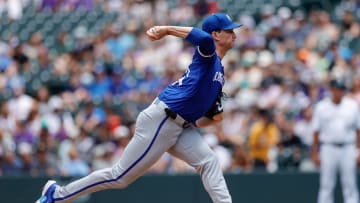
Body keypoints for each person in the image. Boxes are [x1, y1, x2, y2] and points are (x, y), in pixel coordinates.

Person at [35, 13, 241, 203]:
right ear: (216, 34)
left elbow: (208, 118)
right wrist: (166, 29)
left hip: (181, 125)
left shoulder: (219, 71)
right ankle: (57, 195)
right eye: (230, 30)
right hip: (162, 119)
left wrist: (207, 119)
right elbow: (202, 38)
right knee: (119, 176)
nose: (234, 34)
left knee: (209, 161)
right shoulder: (208, 54)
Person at [311, 79, 360, 203]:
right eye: (337, 89)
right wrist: (315, 152)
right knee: (326, 184)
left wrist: (358, 150)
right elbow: (316, 131)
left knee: (350, 184)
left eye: (342, 89)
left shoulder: (352, 105)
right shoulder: (322, 107)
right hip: (328, 147)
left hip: (348, 147)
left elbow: (358, 129)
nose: (340, 92)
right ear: (332, 90)